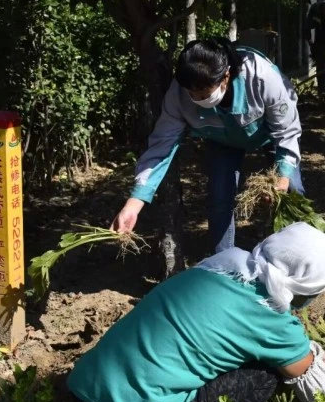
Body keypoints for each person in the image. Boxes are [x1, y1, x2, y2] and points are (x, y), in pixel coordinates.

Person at [68, 222, 325, 402]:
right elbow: (311, 380)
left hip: (83, 392)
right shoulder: (272, 320)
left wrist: (310, 353)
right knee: (268, 375)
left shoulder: (219, 265)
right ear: (306, 285)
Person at [111, 38, 303, 253]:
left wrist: (283, 176)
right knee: (219, 197)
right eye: (193, 94)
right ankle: (223, 262)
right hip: (222, 140)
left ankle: (296, 251)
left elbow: (286, 132)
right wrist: (134, 203)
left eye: (204, 92)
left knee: (291, 192)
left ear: (226, 76)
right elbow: (161, 147)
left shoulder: (261, 77)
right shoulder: (178, 93)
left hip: (270, 134)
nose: (198, 98)